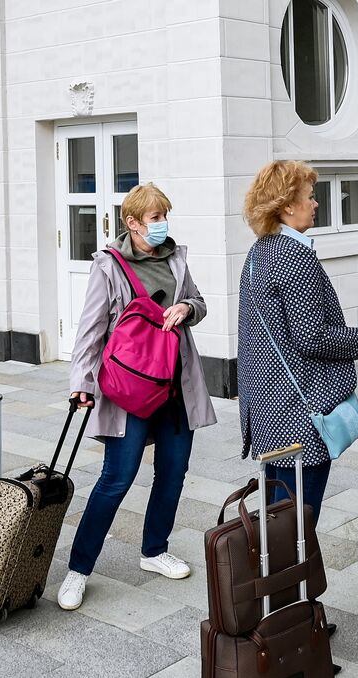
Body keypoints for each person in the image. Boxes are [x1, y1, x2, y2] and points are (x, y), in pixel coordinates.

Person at [61, 183, 216, 611]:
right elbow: (90, 330)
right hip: (129, 388)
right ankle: (78, 568)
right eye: (155, 218)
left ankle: (154, 550)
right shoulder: (107, 266)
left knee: (173, 471)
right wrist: (82, 382)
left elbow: (199, 303)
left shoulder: (176, 258)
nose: (162, 224)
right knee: (117, 477)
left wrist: (186, 309)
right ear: (132, 222)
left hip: (176, 386)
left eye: (165, 215)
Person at [238, 160, 358, 517]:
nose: (316, 204)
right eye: (311, 196)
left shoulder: (260, 251)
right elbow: (311, 337)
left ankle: (273, 574)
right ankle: (285, 576)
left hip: (271, 411)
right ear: (287, 204)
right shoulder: (293, 255)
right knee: (296, 525)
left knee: (278, 522)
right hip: (298, 416)